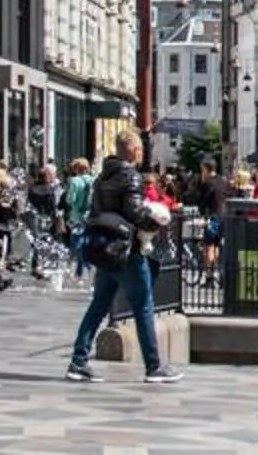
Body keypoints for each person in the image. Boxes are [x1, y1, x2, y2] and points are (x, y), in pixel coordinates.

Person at [65, 128, 181, 385]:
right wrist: (155, 223)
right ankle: (153, 366)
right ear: (136, 151)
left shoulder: (101, 177)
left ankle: (78, 361)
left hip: (105, 247)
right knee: (143, 305)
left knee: (99, 305)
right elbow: (135, 213)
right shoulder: (131, 177)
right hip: (127, 249)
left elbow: (96, 209)